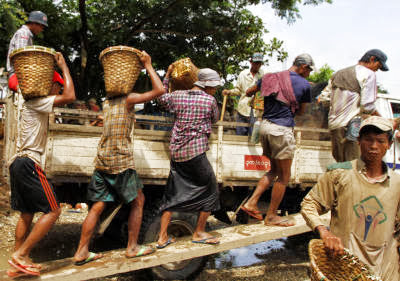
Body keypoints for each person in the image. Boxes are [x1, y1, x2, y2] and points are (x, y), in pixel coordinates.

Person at [73, 51, 164, 264]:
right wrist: (149, 65)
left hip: (102, 160)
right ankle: (132, 247)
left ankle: (81, 251)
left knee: (97, 206)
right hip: (120, 161)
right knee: (138, 201)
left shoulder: (107, 102)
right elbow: (160, 90)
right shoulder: (128, 99)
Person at [301, 116, 400, 281]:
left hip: (385, 272)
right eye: (368, 140)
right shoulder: (340, 174)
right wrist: (325, 233)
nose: (374, 146)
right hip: (343, 269)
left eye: (380, 141)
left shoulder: (397, 183)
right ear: (358, 141)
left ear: (389, 145)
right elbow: (310, 204)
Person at [7, 52, 76, 277]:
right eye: (58, 86)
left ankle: (18, 264)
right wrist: (64, 66)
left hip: (18, 162)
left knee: (26, 214)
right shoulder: (39, 101)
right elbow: (71, 95)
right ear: (52, 85)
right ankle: (21, 254)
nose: (59, 90)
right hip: (28, 163)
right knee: (54, 211)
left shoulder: (30, 102)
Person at [240, 54, 314, 226]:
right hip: (281, 130)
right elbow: (302, 112)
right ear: (303, 67)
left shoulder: (269, 77)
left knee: (273, 171)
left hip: (265, 127)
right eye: (309, 70)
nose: (309, 73)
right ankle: (271, 216)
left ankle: (251, 203)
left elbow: (249, 92)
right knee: (284, 176)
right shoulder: (304, 84)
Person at [155, 67, 221, 248]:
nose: (215, 90)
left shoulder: (177, 96)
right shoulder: (210, 101)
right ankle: (199, 233)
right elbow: (214, 119)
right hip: (196, 152)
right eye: (214, 86)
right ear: (207, 85)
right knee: (211, 192)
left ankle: (162, 237)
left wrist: (167, 76)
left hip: (177, 154)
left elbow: (160, 98)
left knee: (173, 194)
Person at [319, 49, 389, 162]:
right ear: (372, 59)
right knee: (354, 167)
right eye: (378, 66)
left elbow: (324, 99)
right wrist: (381, 119)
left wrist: (339, 108)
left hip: (335, 126)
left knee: (341, 166)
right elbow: (367, 106)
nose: (377, 70)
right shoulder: (369, 74)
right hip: (352, 128)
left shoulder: (337, 74)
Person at [222, 53, 265, 135]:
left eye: (259, 63)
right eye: (256, 63)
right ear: (251, 62)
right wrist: (229, 92)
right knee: (240, 136)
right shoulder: (243, 74)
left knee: (254, 138)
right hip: (243, 109)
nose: (257, 65)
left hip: (257, 111)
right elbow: (238, 90)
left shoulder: (263, 75)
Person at [7, 11, 48, 90]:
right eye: (41, 26)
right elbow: (21, 59)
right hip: (18, 76)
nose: (42, 29)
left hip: (24, 75)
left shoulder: (28, 35)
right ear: (34, 23)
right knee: (55, 77)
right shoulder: (23, 33)